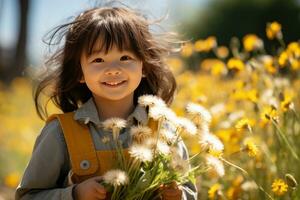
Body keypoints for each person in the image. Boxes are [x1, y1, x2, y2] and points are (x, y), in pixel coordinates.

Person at [15, 5, 197, 200]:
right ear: (79, 73)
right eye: (99, 60)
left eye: (125, 57)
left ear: (144, 66)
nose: (113, 69)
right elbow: (28, 196)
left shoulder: (165, 131)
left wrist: (178, 195)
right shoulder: (60, 133)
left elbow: (189, 191)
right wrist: (74, 194)